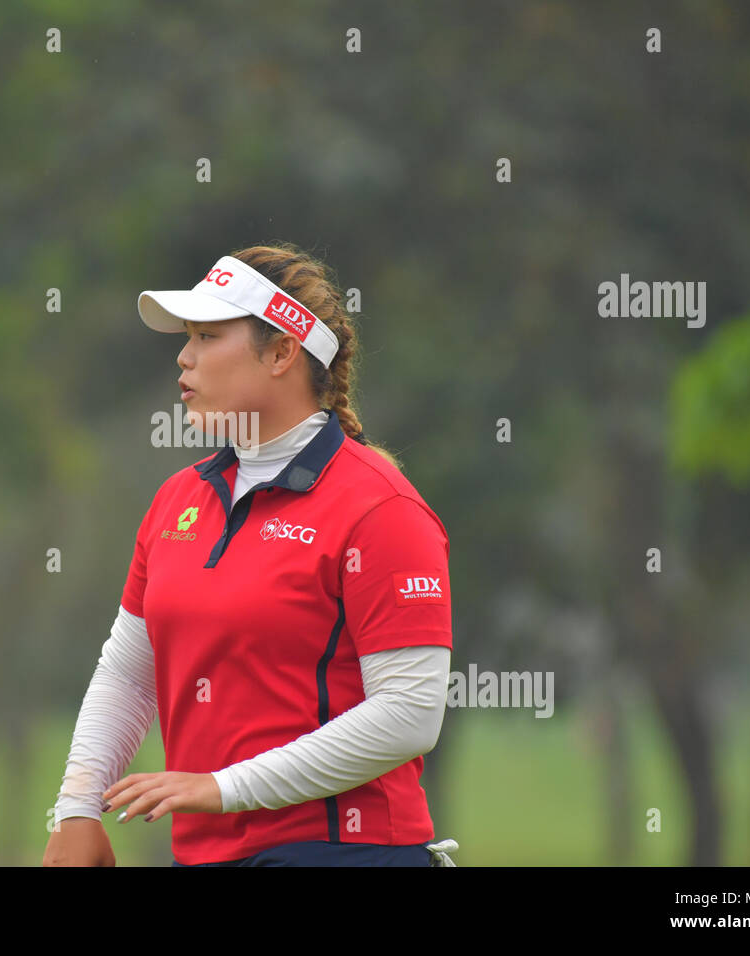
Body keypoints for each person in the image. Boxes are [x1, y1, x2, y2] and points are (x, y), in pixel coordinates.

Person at [42, 242, 454, 867]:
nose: (183, 357)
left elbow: (409, 715)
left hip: (345, 854)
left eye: (208, 336)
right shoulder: (175, 500)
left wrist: (224, 787)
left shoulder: (381, 507)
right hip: (205, 855)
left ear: (284, 351)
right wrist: (76, 807)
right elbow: (130, 671)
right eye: (188, 337)